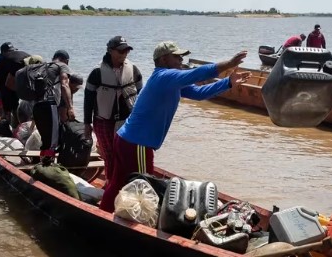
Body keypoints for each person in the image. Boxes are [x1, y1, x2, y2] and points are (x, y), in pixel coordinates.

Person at [99, 42, 251, 212]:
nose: (181, 59)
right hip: (137, 144)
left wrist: (227, 82)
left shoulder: (170, 81)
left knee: (118, 183)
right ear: (164, 59)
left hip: (127, 139)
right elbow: (197, 73)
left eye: (182, 56)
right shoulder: (165, 76)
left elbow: (199, 94)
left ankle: (102, 214)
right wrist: (229, 63)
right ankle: (137, 226)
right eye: (177, 56)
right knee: (144, 187)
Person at [84, 36, 143, 182]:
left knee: (126, 153)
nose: (124, 54)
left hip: (127, 120)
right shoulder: (97, 72)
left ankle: (125, 181)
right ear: (110, 51)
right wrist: (87, 123)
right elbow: (88, 99)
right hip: (103, 120)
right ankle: (111, 184)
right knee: (109, 155)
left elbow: (141, 94)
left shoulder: (133, 69)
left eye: (126, 51)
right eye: (120, 51)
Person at [32, 50, 73, 162]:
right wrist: (70, 107)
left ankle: (43, 163)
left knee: (46, 139)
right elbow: (64, 85)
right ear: (66, 60)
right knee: (53, 141)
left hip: (36, 106)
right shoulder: (62, 65)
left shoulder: (42, 67)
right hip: (49, 106)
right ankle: (48, 166)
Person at [0, 42, 30, 124]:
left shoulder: (5, 58)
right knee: (11, 103)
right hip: (8, 75)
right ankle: (12, 120)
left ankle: (10, 122)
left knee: (10, 105)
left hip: (14, 74)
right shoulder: (23, 54)